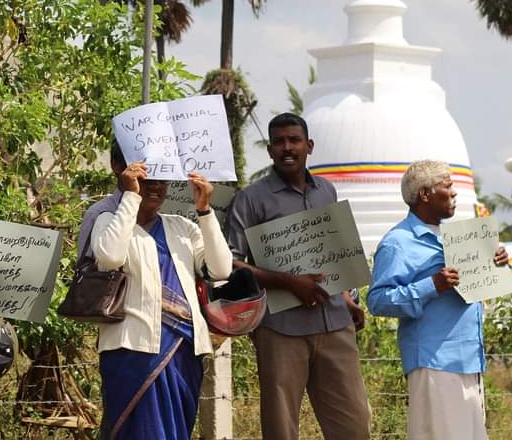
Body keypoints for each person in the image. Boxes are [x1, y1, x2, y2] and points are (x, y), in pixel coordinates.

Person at [224, 112, 370, 440]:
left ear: (309, 146)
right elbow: (231, 264)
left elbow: (334, 253)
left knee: (354, 425)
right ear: (270, 150)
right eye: (279, 142)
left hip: (336, 324)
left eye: (294, 140)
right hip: (280, 330)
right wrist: (290, 282)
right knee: (281, 428)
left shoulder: (327, 192)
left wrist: (347, 298)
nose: (287, 147)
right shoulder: (251, 199)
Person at [89, 155, 232, 440]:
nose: (156, 187)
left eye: (161, 180)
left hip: (183, 351)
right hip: (131, 352)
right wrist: (130, 197)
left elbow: (221, 269)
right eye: (147, 180)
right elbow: (110, 257)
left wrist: (204, 210)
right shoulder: (108, 220)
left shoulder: (183, 227)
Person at [367, 160, 510, 440]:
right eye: (447, 186)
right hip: (434, 360)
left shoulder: (456, 239)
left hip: (468, 359)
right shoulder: (398, 242)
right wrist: (431, 285)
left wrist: (495, 263)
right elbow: (378, 300)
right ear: (425, 194)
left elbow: (475, 286)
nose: (454, 192)